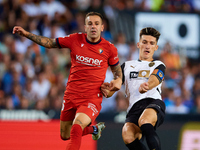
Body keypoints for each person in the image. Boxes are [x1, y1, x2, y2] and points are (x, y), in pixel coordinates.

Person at [13, 12, 122, 150]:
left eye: (96, 24)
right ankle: (93, 130)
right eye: (90, 24)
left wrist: (116, 84)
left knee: (76, 127)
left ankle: (88, 129)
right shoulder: (75, 39)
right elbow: (51, 43)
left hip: (91, 97)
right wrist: (27, 34)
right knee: (65, 135)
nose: (93, 26)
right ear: (85, 27)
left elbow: (118, 73)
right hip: (71, 95)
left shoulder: (109, 48)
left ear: (102, 27)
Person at [101, 27, 166, 150]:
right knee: (127, 135)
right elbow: (116, 84)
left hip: (152, 101)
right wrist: (108, 90)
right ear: (138, 44)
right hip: (134, 108)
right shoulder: (126, 65)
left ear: (156, 47)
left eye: (152, 43)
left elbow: (155, 78)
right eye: (145, 42)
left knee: (145, 121)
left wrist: (147, 86)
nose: (148, 46)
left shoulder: (158, 64)